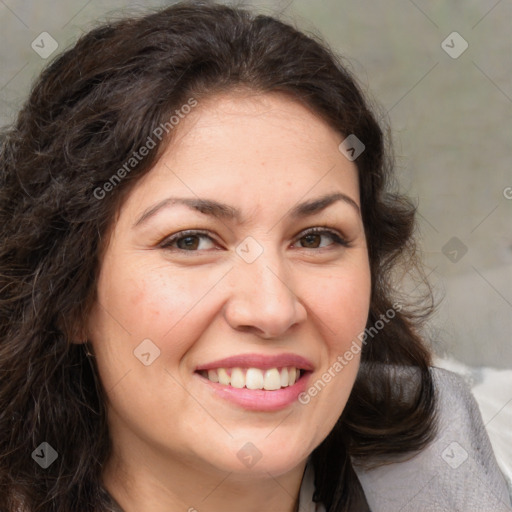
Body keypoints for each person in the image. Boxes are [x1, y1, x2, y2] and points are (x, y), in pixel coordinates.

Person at [0, 1, 510, 511]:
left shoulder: (438, 460)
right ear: (69, 296)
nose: (272, 309)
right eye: (191, 240)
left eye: (315, 238)